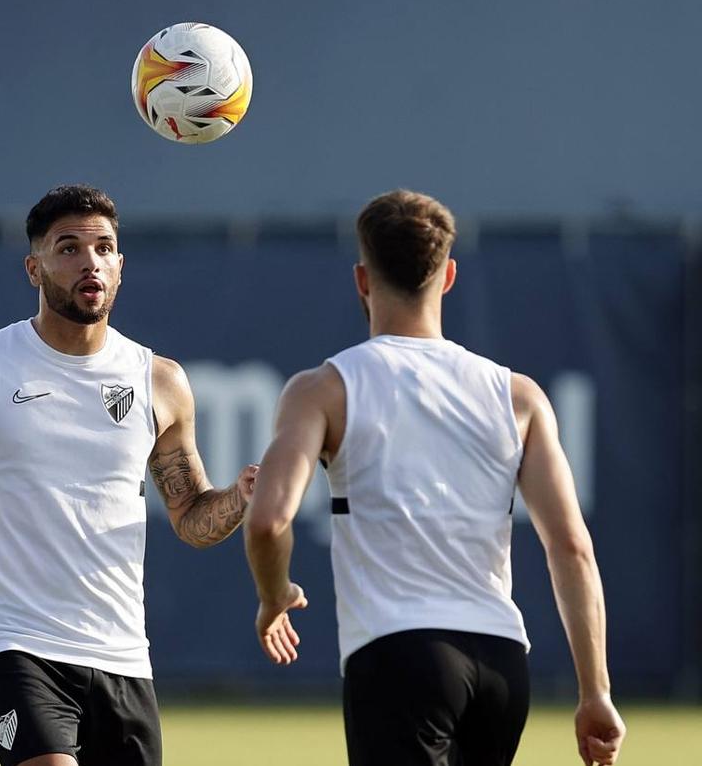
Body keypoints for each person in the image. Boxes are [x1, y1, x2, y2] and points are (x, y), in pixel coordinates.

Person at [0, 184, 256, 766]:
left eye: (104, 247)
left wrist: (240, 498)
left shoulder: (159, 381)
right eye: (68, 248)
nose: (90, 261)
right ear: (34, 268)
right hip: (13, 642)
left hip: (122, 654)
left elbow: (191, 519)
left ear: (120, 265)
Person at [243, 189, 625, 766]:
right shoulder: (518, 397)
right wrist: (595, 690)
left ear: (362, 280)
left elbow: (269, 521)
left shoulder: (323, 389)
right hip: (501, 663)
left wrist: (274, 597)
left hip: (400, 657)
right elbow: (571, 547)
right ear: (447, 276)